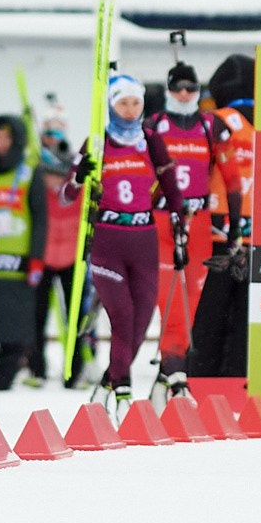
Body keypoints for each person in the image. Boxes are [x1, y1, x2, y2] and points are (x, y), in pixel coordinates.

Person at [77, 73, 181, 417]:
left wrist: (181, 225)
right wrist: (80, 177)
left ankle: (108, 382)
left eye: (135, 102)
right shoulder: (97, 140)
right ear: (111, 104)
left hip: (144, 239)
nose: (129, 109)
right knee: (121, 317)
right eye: (122, 102)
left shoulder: (150, 139)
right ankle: (123, 392)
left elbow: (171, 188)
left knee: (141, 320)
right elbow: (66, 194)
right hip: (108, 239)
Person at [146, 57, 236, 400]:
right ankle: (177, 375)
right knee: (169, 301)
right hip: (162, 219)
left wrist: (234, 227)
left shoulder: (209, 126)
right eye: (177, 88)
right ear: (168, 91)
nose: (184, 94)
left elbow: (233, 181)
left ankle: (169, 372)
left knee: (191, 304)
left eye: (190, 88)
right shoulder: (153, 125)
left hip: (198, 222)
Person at [186, 53, 257, 378]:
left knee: (208, 316)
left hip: (215, 234)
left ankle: (200, 382)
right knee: (247, 318)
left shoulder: (213, 121)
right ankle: (237, 382)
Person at [0, 113, 46, 389]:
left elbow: (41, 218)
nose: (1, 142)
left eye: (7, 137)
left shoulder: (30, 172)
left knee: (15, 322)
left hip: (18, 263)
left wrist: (37, 259)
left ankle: (8, 371)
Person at [32, 110, 83, 382]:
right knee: (37, 316)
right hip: (44, 255)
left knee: (75, 317)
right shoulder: (36, 170)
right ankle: (37, 368)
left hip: (73, 256)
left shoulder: (75, 171)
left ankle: (74, 370)